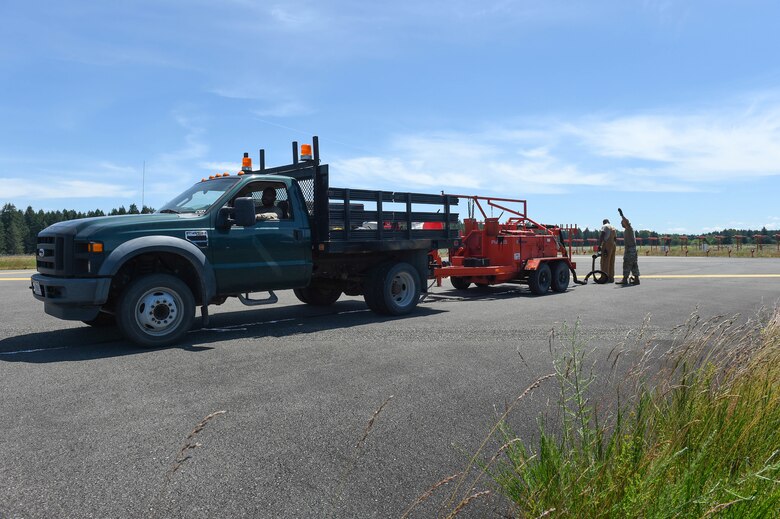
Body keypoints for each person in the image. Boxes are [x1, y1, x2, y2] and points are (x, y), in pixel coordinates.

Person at [616, 208, 640, 285]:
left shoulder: (629, 228)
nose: (621, 224)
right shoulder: (628, 230)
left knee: (626, 264)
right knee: (634, 265)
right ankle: (636, 279)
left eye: (622, 223)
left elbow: (626, 222)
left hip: (630, 250)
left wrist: (621, 215)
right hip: (632, 249)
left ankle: (625, 279)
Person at [598, 218, 617, 282]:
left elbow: (602, 235)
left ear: (604, 222)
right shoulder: (613, 227)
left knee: (605, 261)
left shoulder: (604, 226)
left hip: (607, 244)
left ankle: (604, 277)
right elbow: (615, 238)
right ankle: (611, 277)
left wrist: (599, 245)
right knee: (612, 261)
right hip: (613, 244)